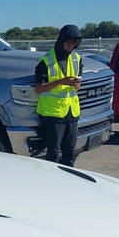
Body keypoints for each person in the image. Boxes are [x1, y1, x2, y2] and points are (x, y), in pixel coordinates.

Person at [34, 25, 84, 166]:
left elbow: (78, 86)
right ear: (61, 40)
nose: (70, 47)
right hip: (53, 113)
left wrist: (76, 85)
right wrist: (61, 81)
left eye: (74, 44)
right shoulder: (46, 61)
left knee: (70, 152)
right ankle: (52, 183)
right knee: (53, 153)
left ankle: (69, 181)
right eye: (68, 43)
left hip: (71, 112)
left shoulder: (77, 58)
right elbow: (38, 89)